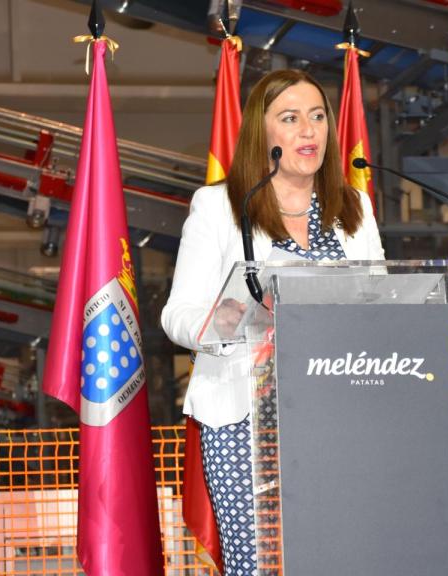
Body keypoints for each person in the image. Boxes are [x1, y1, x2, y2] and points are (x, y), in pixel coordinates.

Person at [160, 69, 384, 574]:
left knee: (342, 558)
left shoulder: (356, 207)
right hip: (245, 418)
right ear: (265, 135)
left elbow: (381, 302)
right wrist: (220, 322)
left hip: (340, 411)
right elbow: (176, 314)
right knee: (258, 564)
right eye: (291, 118)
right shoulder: (219, 207)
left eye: (318, 116)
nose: (309, 130)